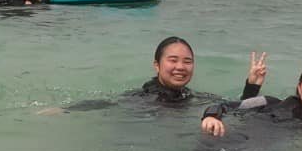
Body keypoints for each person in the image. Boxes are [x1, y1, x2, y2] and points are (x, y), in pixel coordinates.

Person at [40, 41, 267, 114]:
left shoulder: (190, 96)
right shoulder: (145, 96)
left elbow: (232, 109)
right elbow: (110, 103)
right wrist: (66, 109)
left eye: (187, 61)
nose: (180, 67)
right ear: (156, 65)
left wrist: (252, 87)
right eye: (173, 60)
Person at [196, 57, 302, 138]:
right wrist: (212, 117)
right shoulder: (268, 102)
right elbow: (226, 106)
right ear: (299, 88)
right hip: (228, 144)